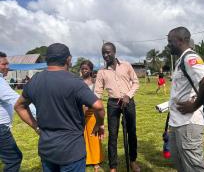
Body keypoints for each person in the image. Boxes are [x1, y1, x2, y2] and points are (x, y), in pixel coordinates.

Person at [14, 43, 105, 172]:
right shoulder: (75, 82)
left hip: (47, 150)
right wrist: (99, 124)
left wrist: (36, 126)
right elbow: (99, 106)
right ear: (68, 59)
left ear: (47, 59)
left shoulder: (35, 80)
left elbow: (19, 106)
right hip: (72, 151)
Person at [167, 27, 204, 172]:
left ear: (181, 40)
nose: (168, 45)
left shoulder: (190, 58)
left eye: (170, 41)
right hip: (177, 123)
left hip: (188, 123)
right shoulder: (181, 60)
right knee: (181, 164)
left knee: (194, 167)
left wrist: (194, 105)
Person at [95, 42, 140, 172]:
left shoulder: (126, 65)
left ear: (114, 51)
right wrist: (96, 105)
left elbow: (136, 83)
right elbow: (97, 92)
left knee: (131, 132)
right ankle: (113, 167)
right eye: (103, 52)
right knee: (113, 135)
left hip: (128, 102)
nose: (106, 55)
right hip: (113, 104)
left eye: (108, 52)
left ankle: (133, 161)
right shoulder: (101, 72)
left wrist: (128, 95)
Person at [0, 52, 22, 172]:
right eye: (4, 64)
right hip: (1, 128)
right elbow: (17, 101)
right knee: (14, 159)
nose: (8, 66)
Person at [80, 60, 104, 171]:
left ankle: (96, 161)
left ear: (90, 70)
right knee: (82, 137)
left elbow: (98, 99)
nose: (84, 70)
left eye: (86, 68)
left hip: (93, 112)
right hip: (80, 113)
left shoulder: (95, 83)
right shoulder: (78, 83)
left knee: (93, 136)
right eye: (82, 68)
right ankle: (85, 159)